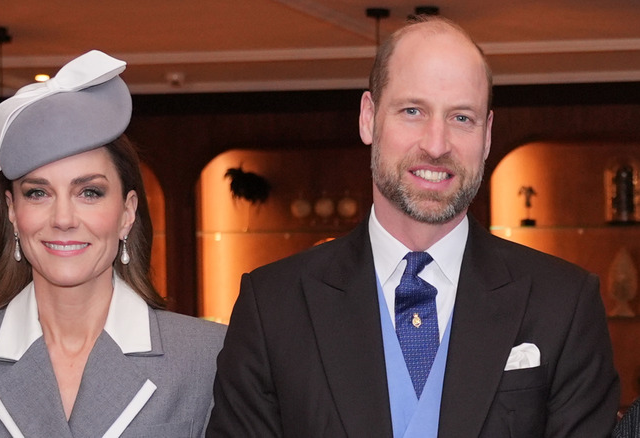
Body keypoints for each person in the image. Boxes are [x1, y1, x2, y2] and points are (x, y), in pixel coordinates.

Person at [207, 16, 619, 438]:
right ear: (368, 118)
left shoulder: (564, 303)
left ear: (487, 135)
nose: (436, 145)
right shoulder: (273, 306)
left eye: (462, 118)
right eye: (412, 111)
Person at [0, 50, 226, 438]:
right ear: (12, 212)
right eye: (38, 193)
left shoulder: (206, 354)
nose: (63, 219)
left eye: (89, 192)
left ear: (127, 212)